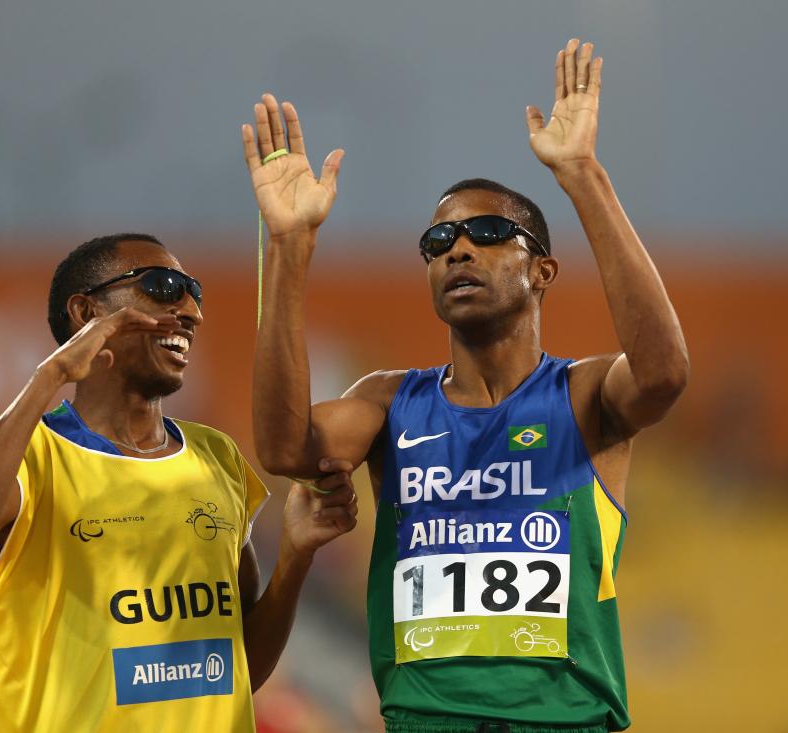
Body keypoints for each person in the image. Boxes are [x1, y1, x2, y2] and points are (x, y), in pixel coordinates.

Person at [242, 38, 688, 732]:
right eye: (438, 241)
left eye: (484, 232)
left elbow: (663, 373)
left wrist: (581, 175)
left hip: (564, 721)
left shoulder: (581, 395)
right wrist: (289, 250)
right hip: (426, 718)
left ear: (541, 270)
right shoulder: (390, 403)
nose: (456, 248)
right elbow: (280, 444)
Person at [0, 233, 359, 731]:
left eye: (194, 292)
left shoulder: (217, 457)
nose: (190, 310)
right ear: (86, 313)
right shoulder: (36, 454)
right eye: (164, 286)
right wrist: (51, 374)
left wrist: (296, 556)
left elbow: (236, 669)